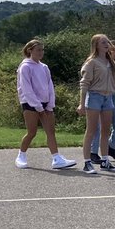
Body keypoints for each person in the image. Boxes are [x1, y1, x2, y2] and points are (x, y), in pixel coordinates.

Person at [14, 39, 75, 170]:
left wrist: (50, 104)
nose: (41, 52)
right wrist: (38, 106)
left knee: (51, 131)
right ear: (30, 50)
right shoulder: (25, 67)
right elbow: (26, 88)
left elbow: (49, 86)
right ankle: (21, 155)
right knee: (32, 132)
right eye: (38, 50)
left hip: (46, 104)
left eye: (42, 50)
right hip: (30, 103)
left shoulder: (44, 67)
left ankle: (56, 158)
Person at [77, 34, 115, 175]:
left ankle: (105, 160)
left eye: (107, 42)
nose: (106, 44)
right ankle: (87, 162)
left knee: (106, 131)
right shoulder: (92, 62)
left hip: (108, 97)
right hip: (94, 96)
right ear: (95, 45)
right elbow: (84, 83)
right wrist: (81, 104)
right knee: (91, 130)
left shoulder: (110, 62)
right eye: (103, 42)